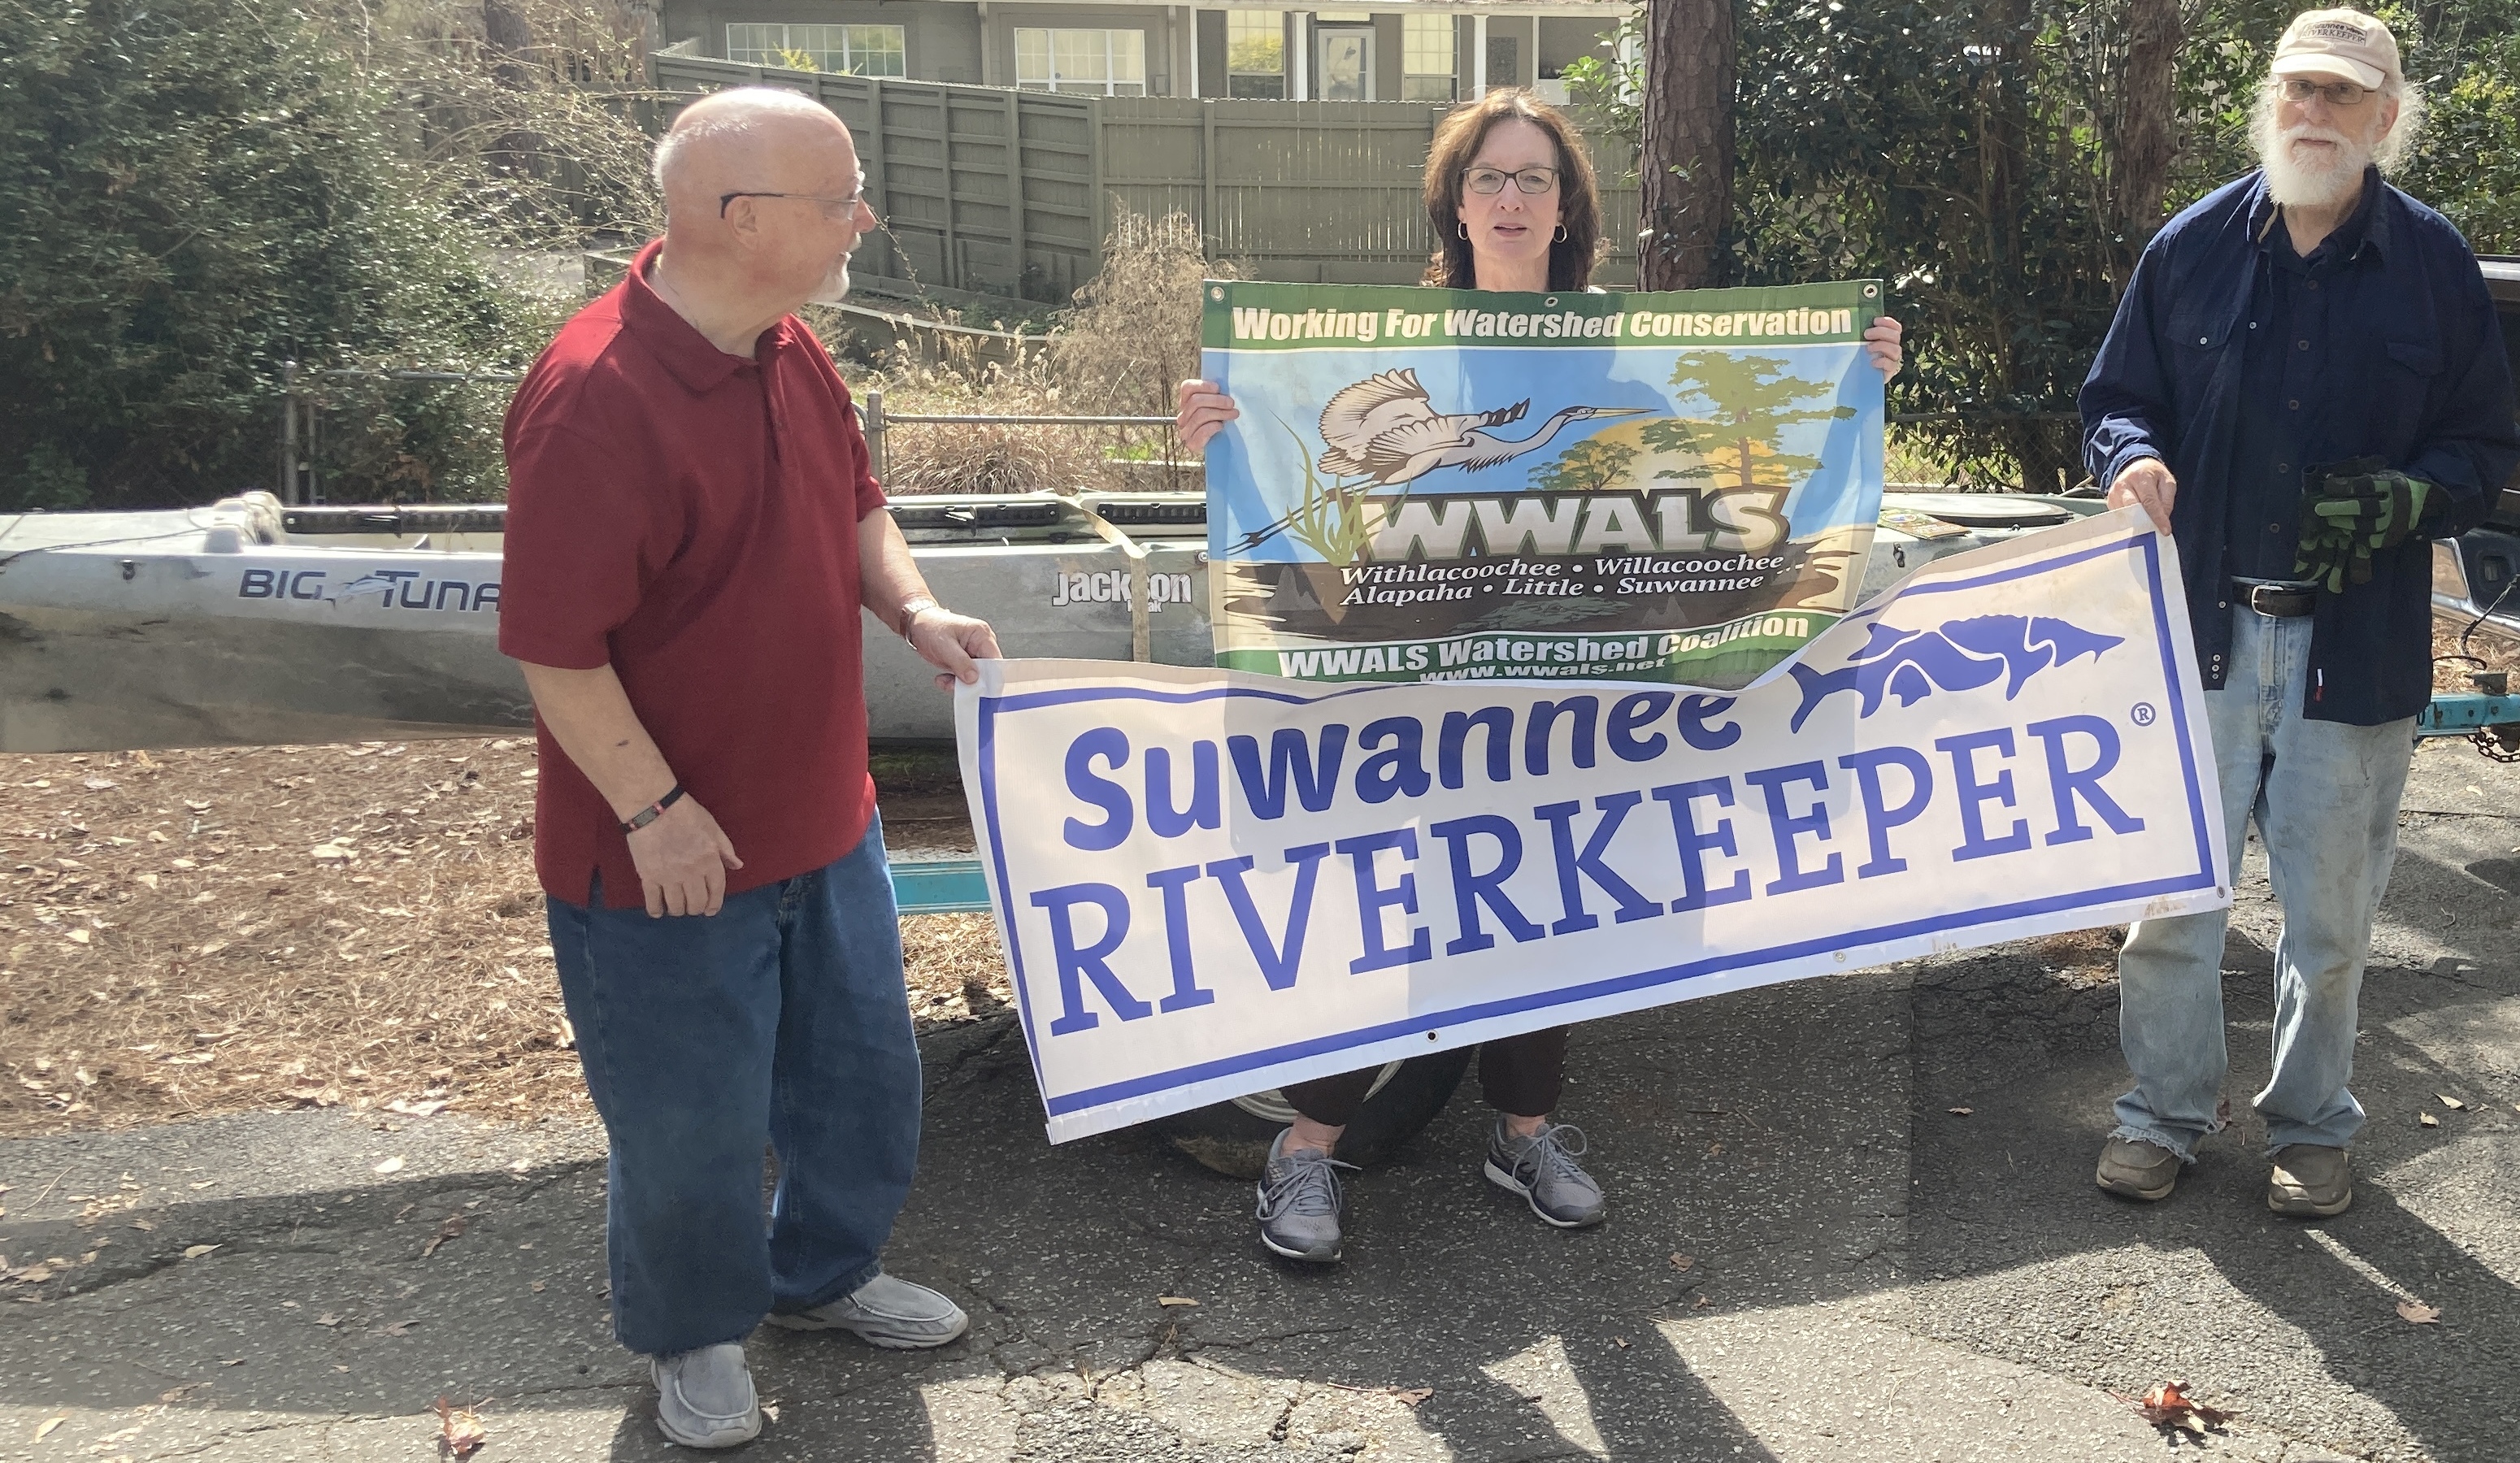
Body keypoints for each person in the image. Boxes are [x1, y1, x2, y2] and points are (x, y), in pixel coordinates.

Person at [1174, 88, 1905, 1262]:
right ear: (1453, 204)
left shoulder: (1624, 342)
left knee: (1547, 900)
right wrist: (1224, 424)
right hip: (1415, 687)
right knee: (1393, 911)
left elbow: (1707, 480)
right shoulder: (1379, 347)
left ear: (1567, 209)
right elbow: (1310, 479)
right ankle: (1303, 1152)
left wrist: (1849, 377)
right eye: (1488, 179)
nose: (1511, 200)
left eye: (1534, 180)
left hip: (1571, 685)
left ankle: (1524, 1135)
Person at [498, 88, 1003, 1449]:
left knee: (860, 1083)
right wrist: (653, 811)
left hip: (825, 822)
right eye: (843, 195)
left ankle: (822, 1277)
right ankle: (695, 1333)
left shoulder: (788, 347)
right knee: (690, 1126)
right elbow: (553, 648)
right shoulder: (592, 398)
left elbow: (857, 505)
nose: (865, 216)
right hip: (665, 852)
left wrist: (914, 612)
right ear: (741, 217)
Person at [2081, 9, 2518, 1217]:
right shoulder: (2191, 248)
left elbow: (2486, 449)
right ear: (2269, 104)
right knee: (2171, 908)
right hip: (2200, 636)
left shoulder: (2436, 266)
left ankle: (2311, 1125)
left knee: (2329, 923)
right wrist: (2130, 460)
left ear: (2387, 118)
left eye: (2342, 94)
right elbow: (2117, 399)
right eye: (2297, 90)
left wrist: (2409, 499)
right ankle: (2162, 1115)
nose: (2313, 112)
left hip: (2355, 650)